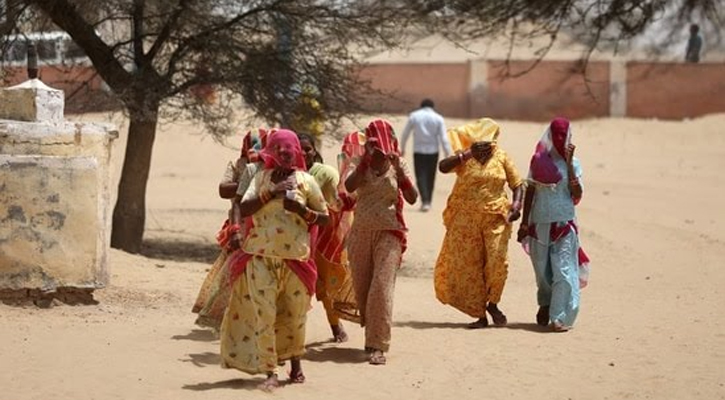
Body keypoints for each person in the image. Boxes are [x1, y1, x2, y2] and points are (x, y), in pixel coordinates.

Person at [219, 129, 329, 391]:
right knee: (264, 314)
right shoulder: (259, 177)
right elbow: (242, 207)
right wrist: (272, 192)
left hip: (297, 260)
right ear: (271, 152)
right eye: (279, 150)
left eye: (289, 151)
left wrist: (301, 210)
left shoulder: (306, 181)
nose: (285, 155)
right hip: (260, 257)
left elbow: (325, 218)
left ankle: (296, 363)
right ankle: (270, 370)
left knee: (295, 315)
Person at [433, 118, 524, 329]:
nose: (486, 146)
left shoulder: (502, 157)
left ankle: (493, 303)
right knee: (470, 267)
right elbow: (442, 167)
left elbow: (517, 184)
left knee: (498, 263)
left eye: (489, 142)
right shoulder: (464, 158)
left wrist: (517, 207)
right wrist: (466, 154)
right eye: (481, 143)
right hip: (466, 223)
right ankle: (479, 314)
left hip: (495, 218)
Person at [344, 119, 418, 365]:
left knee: (381, 289)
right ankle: (371, 334)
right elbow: (348, 187)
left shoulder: (398, 164)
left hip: (390, 231)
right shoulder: (359, 163)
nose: (379, 149)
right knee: (363, 288)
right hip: (361, 232)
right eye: (373, 144)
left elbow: (412, 197)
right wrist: (365, 161)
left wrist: (399, 170)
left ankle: (378, 344)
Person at [517, 117, 589, 332]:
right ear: (549, 135)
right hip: (539, 223)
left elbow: (577, 194)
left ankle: (559, 316)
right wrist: (523, 222)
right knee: (542, 271)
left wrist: (568, 164)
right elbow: (530, 190)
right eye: (555, 134)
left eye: (563, 135)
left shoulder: (574, 164)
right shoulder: (538, 160)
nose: (559, 139)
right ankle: (545, 303)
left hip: (564, 224)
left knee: (563, 270)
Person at [191, 129, 268, 330]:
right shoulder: (238, 165)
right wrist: (246, 183)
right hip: (240, 224)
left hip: (264, 226)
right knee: (231, 272)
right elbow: (223, 190)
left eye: (259, 145)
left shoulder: (271, 166)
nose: (254, 149)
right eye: (250, 145)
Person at [297, 132, 359, 343]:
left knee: (325, 286)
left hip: (324, 237)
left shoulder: (325, 173)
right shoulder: (285, 174)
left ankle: (335, 325)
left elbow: (338, 205)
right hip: (292, 239)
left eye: (308, 148)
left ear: (315, 150)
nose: (304, 153)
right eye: (300, 148)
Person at [400, 99, 452, 212]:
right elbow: (444, 137)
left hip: (418, 150)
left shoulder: (414, 116)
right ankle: (428, 201)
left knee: (420, 176)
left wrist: (402, 148)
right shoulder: (438, 118)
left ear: (421, 106)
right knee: (430, 176)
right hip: (433, 151)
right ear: (432, 107)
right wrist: (447, 153)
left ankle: (425, 201)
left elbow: (405, 133)